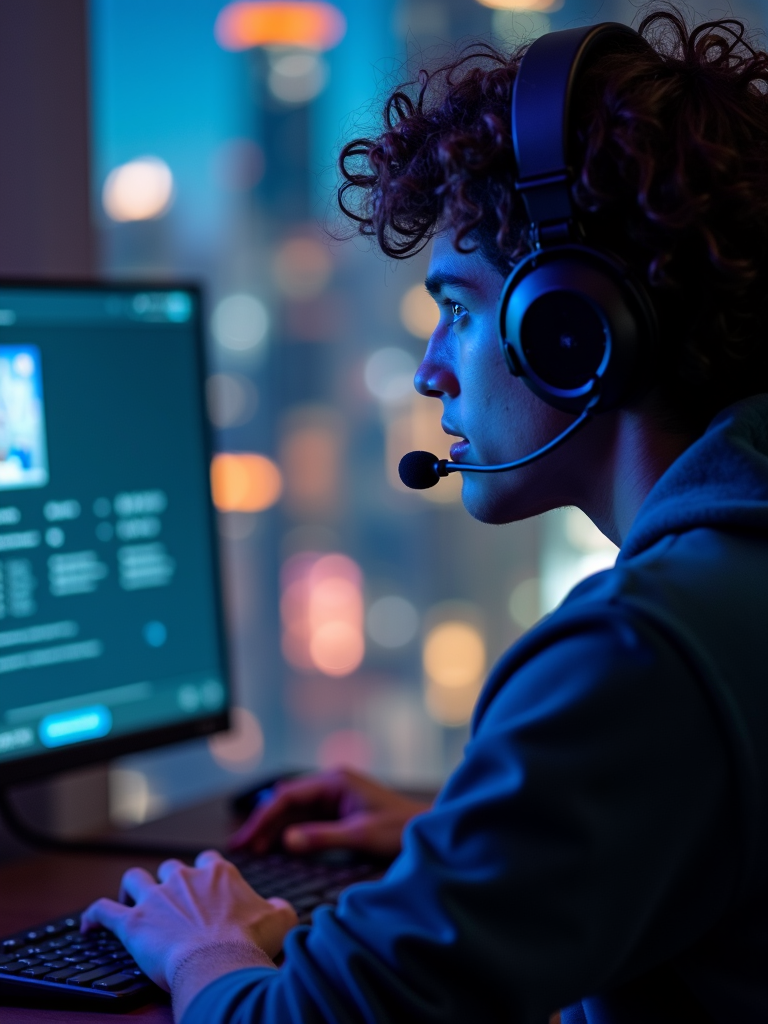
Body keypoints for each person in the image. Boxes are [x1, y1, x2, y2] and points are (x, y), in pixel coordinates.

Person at [82, 7, 768, 1023]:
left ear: (574, 327)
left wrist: (208, 948)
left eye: (454, 305)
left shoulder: (642, 653)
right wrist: (466, 835)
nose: (430, 368)